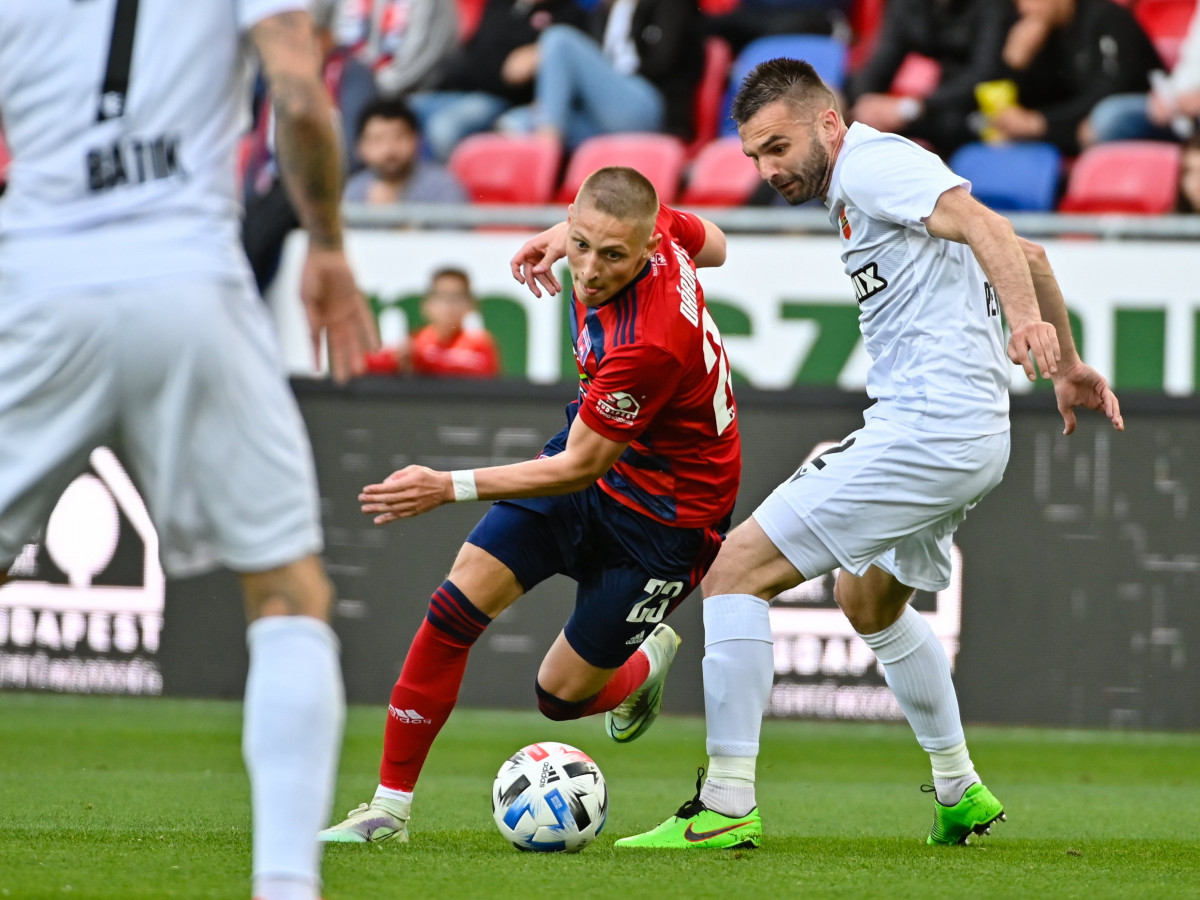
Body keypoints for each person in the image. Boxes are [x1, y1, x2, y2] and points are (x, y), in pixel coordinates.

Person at [571, 57, 1120, 850]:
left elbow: (995, 234)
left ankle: (725, 802)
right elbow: (1028, 255)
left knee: (734, 572)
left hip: (930, 429)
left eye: (777, 147)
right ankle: (959, 790)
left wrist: (1031, 329)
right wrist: (1067, 365)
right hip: (966, 436)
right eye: (754, 155)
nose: (767, 170)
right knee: (868, 603)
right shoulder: (865, 184)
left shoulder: (872, 164)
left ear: (827, 123)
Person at [0, 5, 379, 900]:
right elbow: (297, 88)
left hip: (34, 286)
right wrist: (325, 243)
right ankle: (286, 885)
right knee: (289, 592)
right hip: (188, 278)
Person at [316, 166, 740, 844]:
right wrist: (558, 235)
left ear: (646, 250)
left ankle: (640, 666)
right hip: (603, 464)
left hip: (666, 520)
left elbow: (579, 466)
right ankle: (388, 810)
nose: (590, 271)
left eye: (612, 256)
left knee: (559, 696)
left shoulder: (649, 341)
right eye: (581, 244)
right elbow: (714, 241)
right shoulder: (651, 229)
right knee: (455, 604)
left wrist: (446, 485)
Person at [499, 0, 704, 149]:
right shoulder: (602, 11)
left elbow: (664, 62)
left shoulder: (670, 5)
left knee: (558, 38)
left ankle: (546, 146)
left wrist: (606, 80)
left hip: (649, 105)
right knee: (516, 122)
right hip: (604, 114)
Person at [407, 0, 588, 163]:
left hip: (500, 101)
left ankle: (443, 192)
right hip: (457, 91)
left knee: (444, 129)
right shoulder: (499, 4)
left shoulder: (569, 15)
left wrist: (541, 51)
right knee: (401, 112)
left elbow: (568, 69)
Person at [846, 0, 1016, 157]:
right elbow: (882, 62)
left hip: (979, 109)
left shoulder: (992, 6)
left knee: (950, 124)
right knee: (850, 104)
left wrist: (911, 108)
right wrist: (865, 101)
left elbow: (984, 74)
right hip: (931, 107)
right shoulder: (909, 5)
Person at [991, 0, 1161, 155]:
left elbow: (1115, 86)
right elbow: (1041, 101)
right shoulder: (1044, 33)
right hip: (1079, 120)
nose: (1024, 8)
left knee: (1105, 118)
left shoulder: (1106, 17)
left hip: (1151, 110)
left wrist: (1044, 122)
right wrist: (1016, 66)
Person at [1083, 3, 1200, 145]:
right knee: (1105, 118)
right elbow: (1191, 61)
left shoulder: (1107, 15)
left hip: (1189, 109)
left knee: (1108, 118)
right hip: (1176, 107)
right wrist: (1168, 91)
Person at [364, 267, 502, 376]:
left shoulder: (480, 342)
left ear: (471, 305)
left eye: (457, 297)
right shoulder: (417, 340)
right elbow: (380, 362)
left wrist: (424, 360)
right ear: (427, 305)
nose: (449, 305)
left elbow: (482, 370)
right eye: (441, 297)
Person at [342, 97, 467, 204]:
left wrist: (394, 218)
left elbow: (454, 232)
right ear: (360, 147)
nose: (389, 149)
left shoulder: (442, 187)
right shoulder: (353, 191)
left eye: (399, 137)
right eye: (377, 140)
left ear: (417, 140)